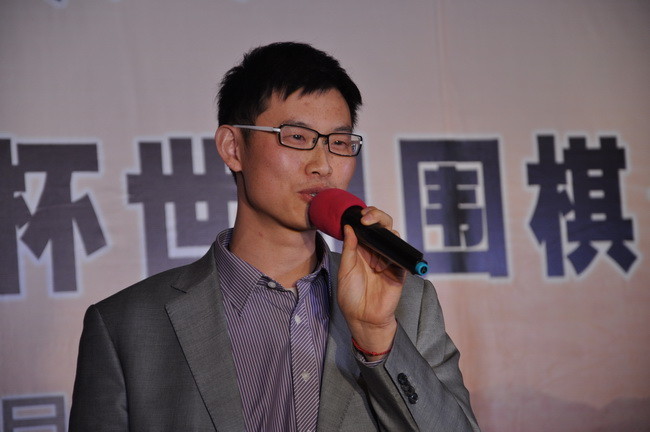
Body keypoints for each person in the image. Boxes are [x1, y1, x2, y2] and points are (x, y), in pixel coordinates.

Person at [69, 41, 480, 431]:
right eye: (297, 137)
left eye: (339, 142)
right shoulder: (125, 323)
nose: (323, 165)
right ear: (233, 147)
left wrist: (377, 337)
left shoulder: (407, 303)